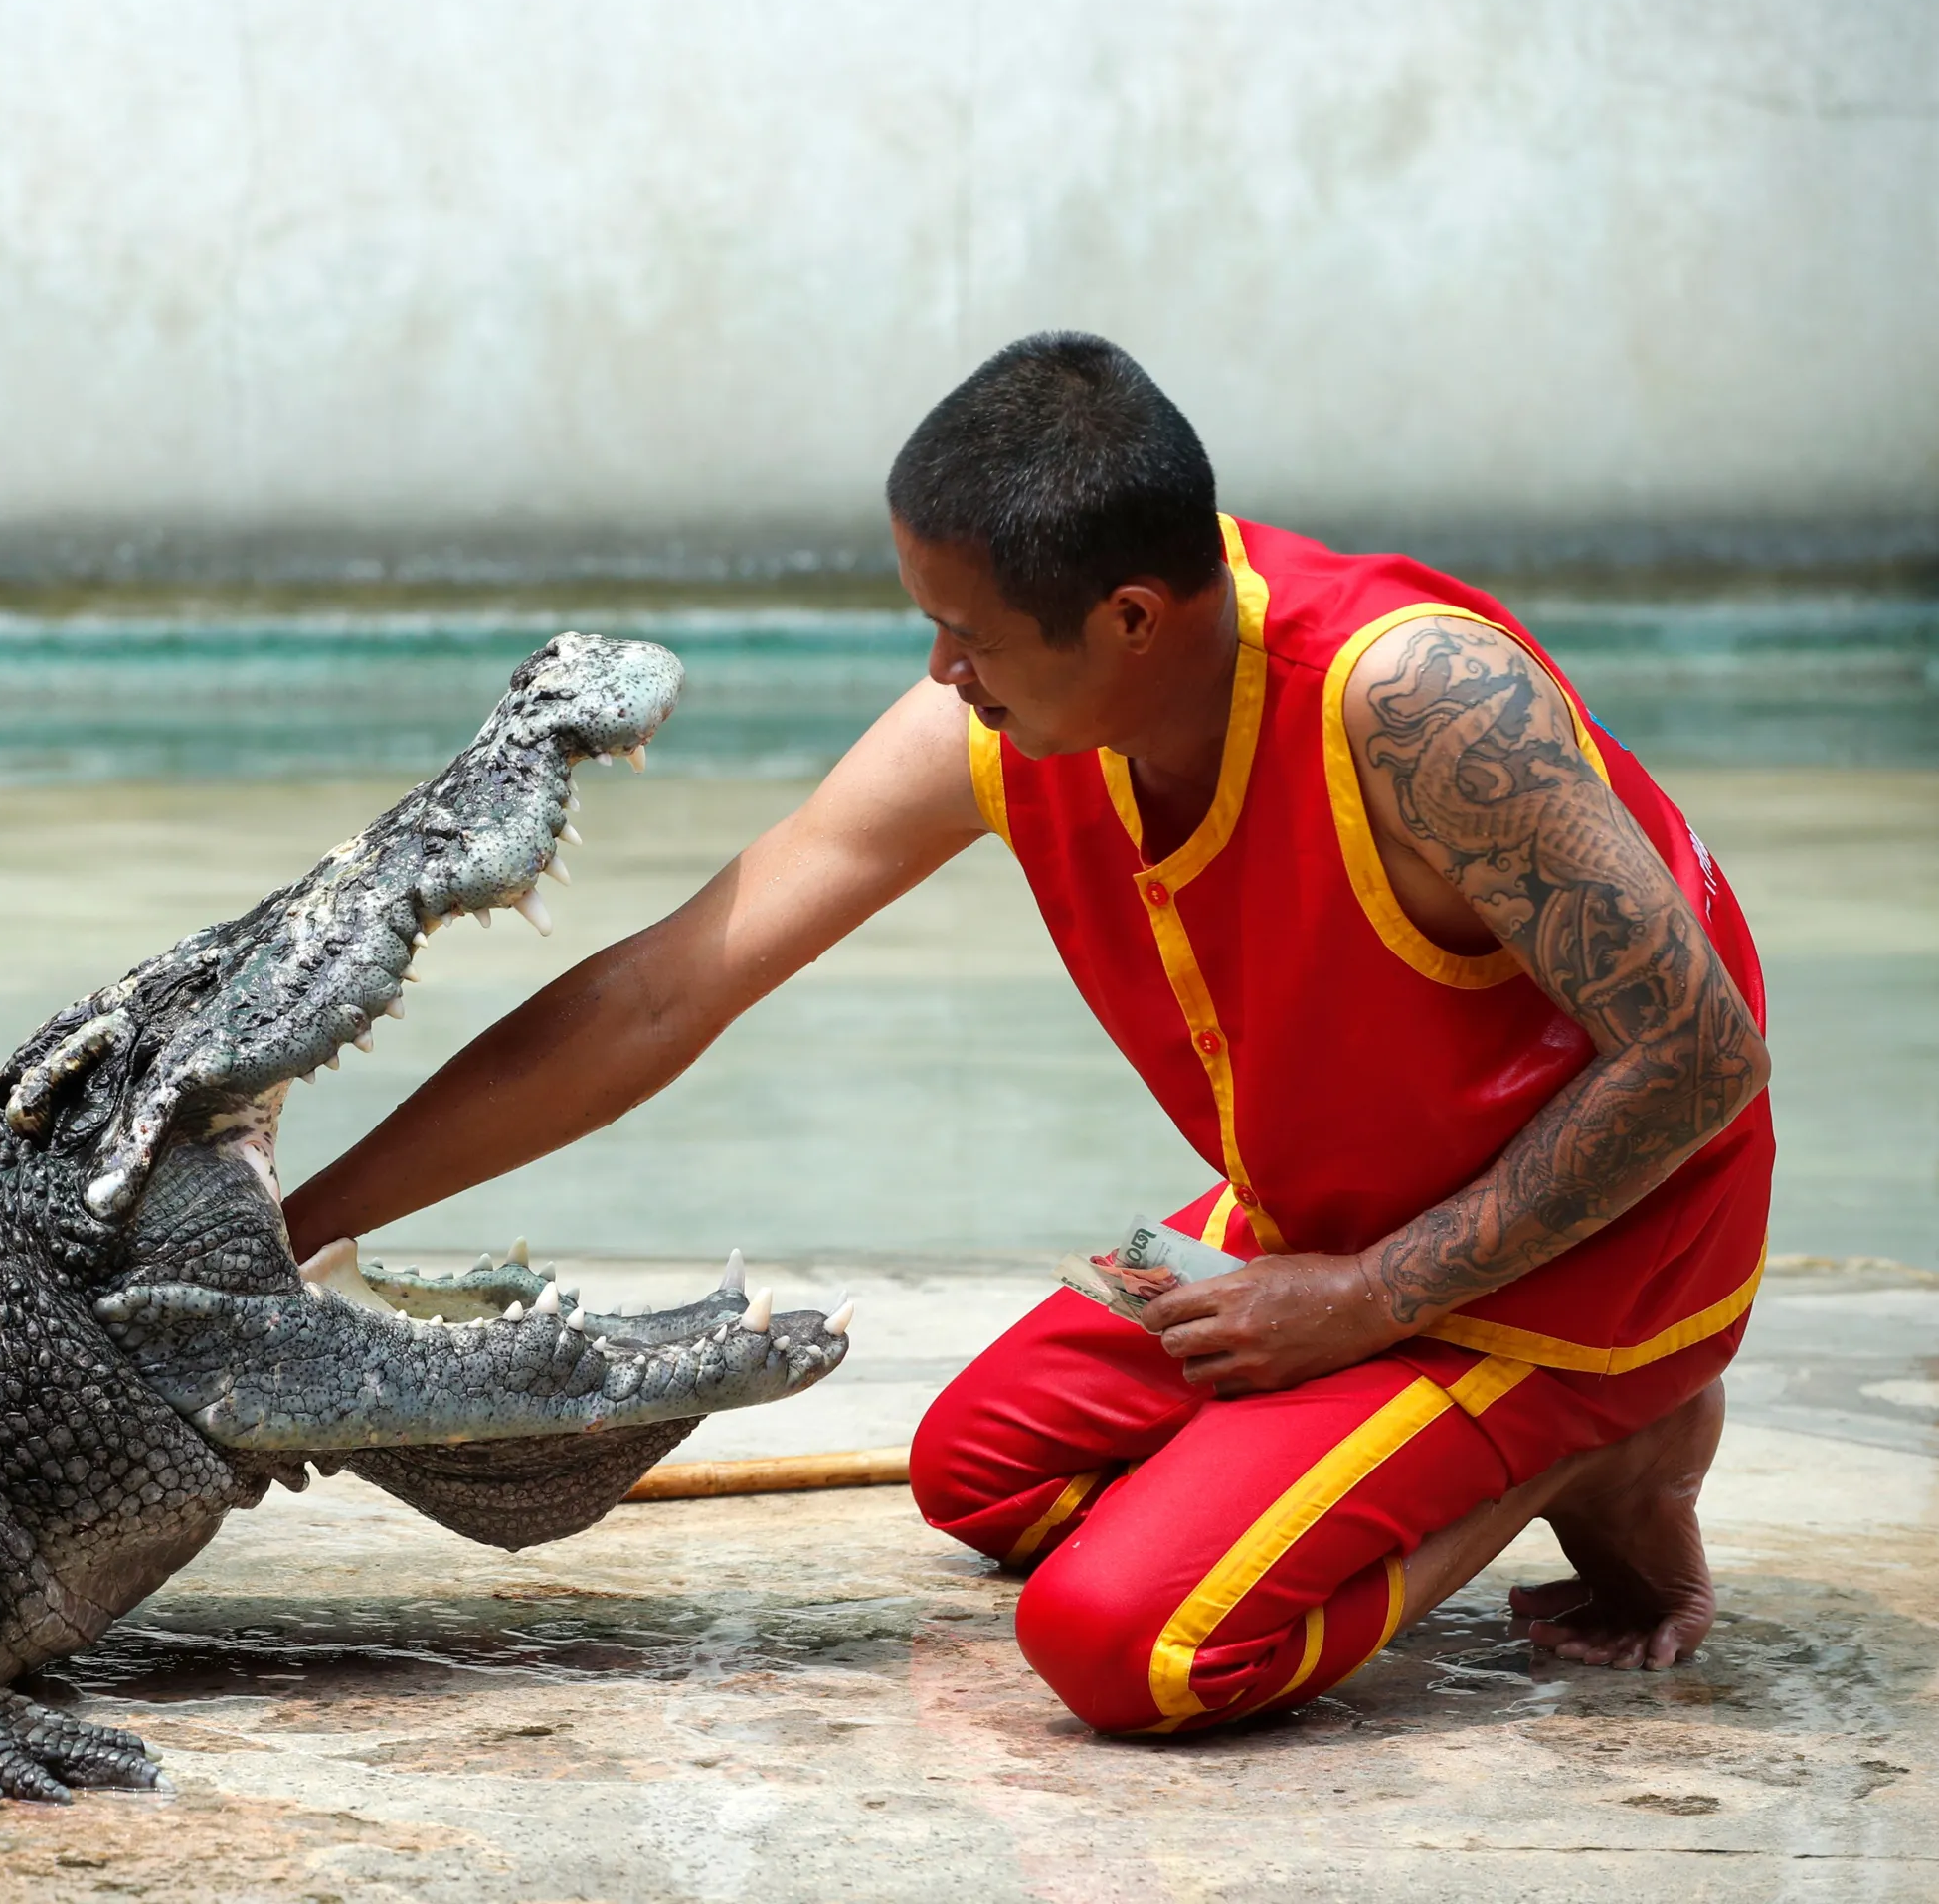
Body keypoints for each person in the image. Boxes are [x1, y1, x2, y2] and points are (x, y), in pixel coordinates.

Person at [278, 331, 1773, 1733]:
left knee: (1132, 1649)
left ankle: (1603, 1440)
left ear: (1131, 618)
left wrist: (1368, 1298)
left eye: (965, 633)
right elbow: (662, 992)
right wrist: (294, 1229)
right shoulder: (1008, 717)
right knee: (979, 1474)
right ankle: (1389, 1427)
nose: (942, 672)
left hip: (1596, 1243)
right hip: (1326, 1197)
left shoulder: (1420, 704)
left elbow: (1702, 1059)